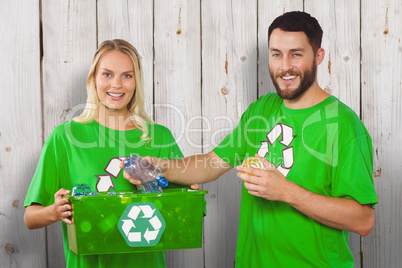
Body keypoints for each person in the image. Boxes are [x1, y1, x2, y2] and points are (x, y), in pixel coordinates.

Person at [122, 11, 378, 267]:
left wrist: (286, 191)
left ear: (319, 56)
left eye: (296, 54)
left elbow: (363, 220)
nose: (284, 66)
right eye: (276, 54)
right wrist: (162, 167)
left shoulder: (343, 124)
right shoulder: (262, 109)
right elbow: (211, 163)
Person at [24, 39, 185, 268]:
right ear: (93, 79)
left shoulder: (159, 138)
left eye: (127, 76)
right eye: (107, 74)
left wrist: (156, 185)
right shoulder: (66, 137)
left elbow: (188, 209)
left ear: (136, 82)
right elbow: (30, 217)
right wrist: (55, 211)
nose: (116, 84)